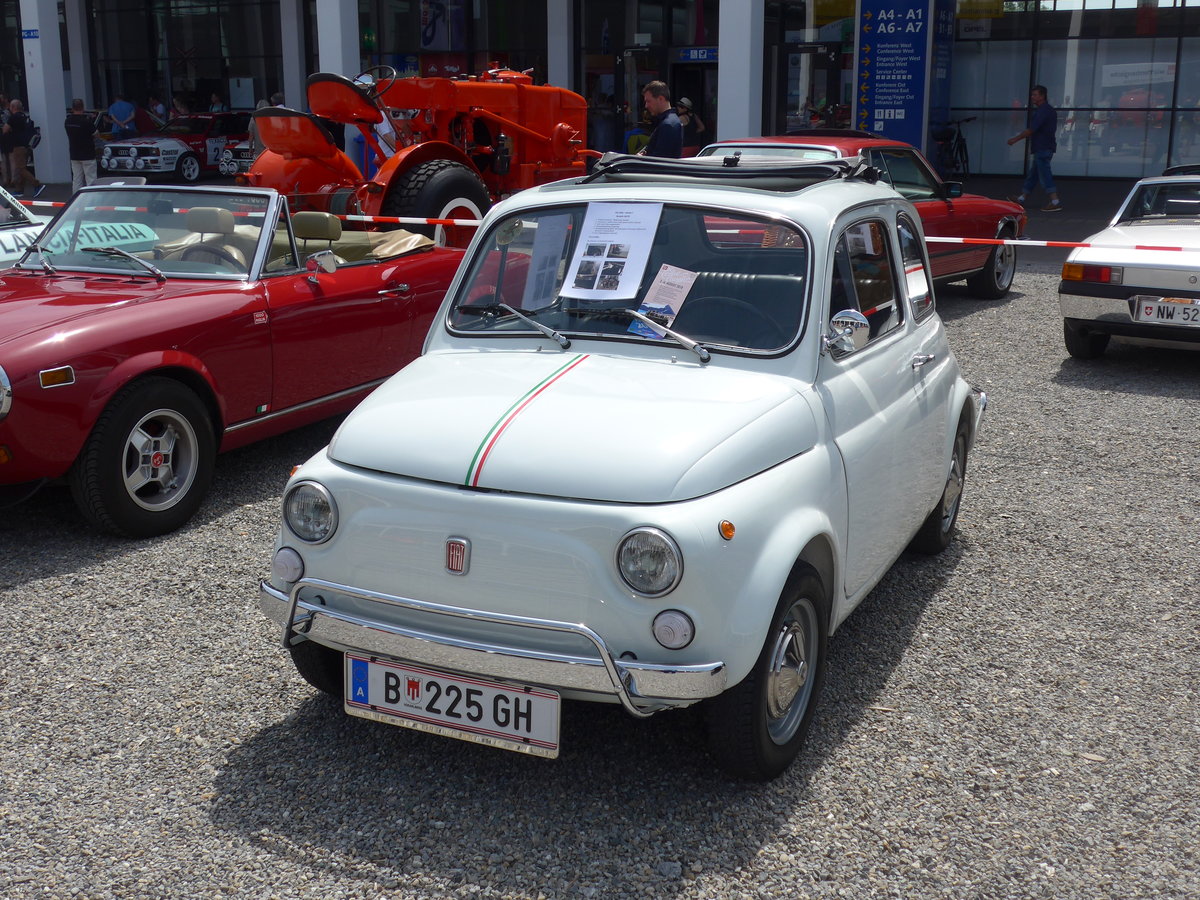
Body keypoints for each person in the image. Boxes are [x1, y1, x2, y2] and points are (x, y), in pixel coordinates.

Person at [1008, 85, 1062, 212]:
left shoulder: (1043, 111)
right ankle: (1022, 198)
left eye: (1035, 95)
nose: (1032, 97)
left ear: (1042, 96)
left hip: (1043, 147)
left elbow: (1032, 129)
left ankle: (1055, 201)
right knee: (1034, 174)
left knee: (1045, 175)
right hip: (1044, 147)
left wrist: (1015, 139)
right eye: (1032, 95)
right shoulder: (1047, 110)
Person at [3, 99, 45, 197]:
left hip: (18, 146)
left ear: (13, 107)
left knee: (20, 168)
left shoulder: (13, 117)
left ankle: (37, 184)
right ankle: (19, 190)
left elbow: (5, 129)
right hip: (26, 146)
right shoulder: (24, 116)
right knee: (21, 168)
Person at [638, 80, 681, 158]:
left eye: (648, 101)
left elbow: (660, 160)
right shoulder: (668, 121)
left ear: (661, 99)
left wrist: (642, 158)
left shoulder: (668, 124)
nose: (646, 106)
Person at [65, 98, 98, 192]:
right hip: (88, 154)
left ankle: (76, 198)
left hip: (74, 154)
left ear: (72, 108)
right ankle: (92, 198)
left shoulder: (68, 121)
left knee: (77, 179)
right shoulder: (86, 121)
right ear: (83, 107)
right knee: (91, 179)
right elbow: (96, 134)